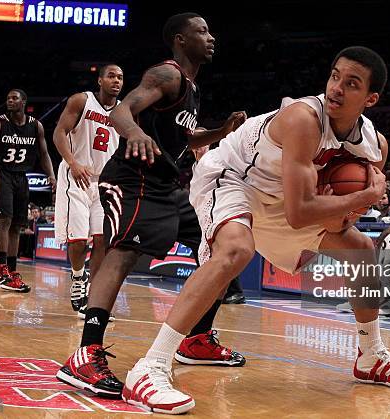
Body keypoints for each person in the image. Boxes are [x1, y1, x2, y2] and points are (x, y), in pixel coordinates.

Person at [117, 46, 390, 414]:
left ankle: (371, 356)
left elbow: (332, 221)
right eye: (334, 75)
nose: (336, 88)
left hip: (282, 199)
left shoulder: (374, 148)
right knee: (236, 250)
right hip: (233, 178)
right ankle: (149, 367)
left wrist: (352, 203)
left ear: (371, 98)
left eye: (351, 83)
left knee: (360, 248)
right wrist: (366, 194)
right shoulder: (303, 118)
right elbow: (299, 215)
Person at [56, 13, 248, 403]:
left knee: (223, 244)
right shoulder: (167, 74)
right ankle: (85, 353)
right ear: (180, 39)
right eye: (202, 31)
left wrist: (221, 131)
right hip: (133, 177)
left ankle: (195, 339)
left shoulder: (191, 86)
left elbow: (188, 135)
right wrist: (136, 132)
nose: (211, 37)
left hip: (168, 183)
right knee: (123, 254)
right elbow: (121, 111)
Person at [53, 64, 124, 316]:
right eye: (111, 76)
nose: (116, 81)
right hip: (77, 175)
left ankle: (95, 297)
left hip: (103, 182)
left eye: (120, 77)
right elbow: (59, 133)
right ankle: (77, 279)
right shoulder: (81, 101)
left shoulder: (124, 112)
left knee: (102, 240)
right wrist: (73, 162)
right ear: (100, 80)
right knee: (79, 239)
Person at [0, 89, 56, 292]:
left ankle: (12, 269)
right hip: (1, 175)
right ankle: (2, 269)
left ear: (23, 102)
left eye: (14, 98)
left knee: (17, 225)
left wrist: (51, 175)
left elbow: (44, 153)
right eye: (8, 98)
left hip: (22, 177)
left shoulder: (36, 126)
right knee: (5, 220)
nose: (9, 101)